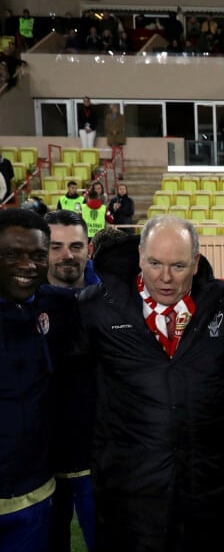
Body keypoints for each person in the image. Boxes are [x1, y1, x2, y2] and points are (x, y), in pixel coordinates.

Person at [78, 215, 224, 551]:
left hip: (203, 491)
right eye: (154, 263)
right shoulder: (95, 307)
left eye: (178, 266)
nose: (165, 278)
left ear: (196, 262)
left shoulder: (223, 303)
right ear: (139, 256)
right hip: (128, 494)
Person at [0, 208, 78, 552]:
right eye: (13, 254)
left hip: (34, 494)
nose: (27, 265)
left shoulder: (59, 305)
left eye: (36, 256)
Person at [43, 210, 98, 552]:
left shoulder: (111, 302)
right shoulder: (22, 306)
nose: (68, 255)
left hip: (100, 462)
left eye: (76, 245)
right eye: (57, 246)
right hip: (42, 467)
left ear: (88, 249)